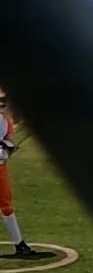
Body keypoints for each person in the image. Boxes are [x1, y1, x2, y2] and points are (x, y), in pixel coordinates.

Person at [0, 92, 50, 260]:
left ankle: (19, 244)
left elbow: (10, 142)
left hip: (0, 168)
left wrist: (6, 150)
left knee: (7, 205)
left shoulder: (5, 122)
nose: (2, 103)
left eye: (3, 100)